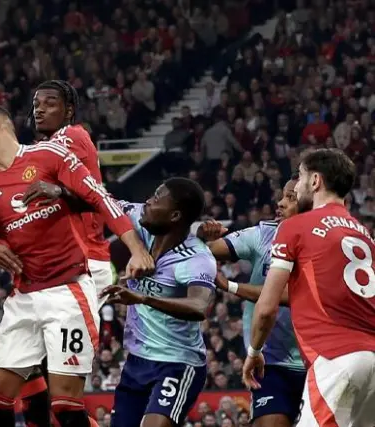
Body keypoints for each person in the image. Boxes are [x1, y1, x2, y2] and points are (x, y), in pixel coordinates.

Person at [0, 105, 153, 427]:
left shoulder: (48, 155)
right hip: (23, 298)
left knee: (65, 402)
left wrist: (136, 249)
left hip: (67, 294)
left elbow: (99, 198)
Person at [0, 79, 117, 427]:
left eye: (49, 103)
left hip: (81, 263)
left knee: (49, 376)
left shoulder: (70, 138)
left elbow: (93, 196)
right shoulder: (44, 150)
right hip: (61, 267)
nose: (39, 109)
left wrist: (56, 189)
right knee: (32, 366)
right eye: (35, 103)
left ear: (69, 110)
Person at [245, 148, 375, 426]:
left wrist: (254, 353)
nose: (298, 186)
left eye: (301, 178)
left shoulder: (295, 227)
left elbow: (267, 308)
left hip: (334, 358)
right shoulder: (363, 233)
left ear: (315, 181)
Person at [97, 178, 215, 427]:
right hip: (136, 361)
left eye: (157, 198)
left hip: (178, 363)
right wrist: (58, 190)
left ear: (174, 215)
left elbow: (198, 307)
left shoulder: (196, 258)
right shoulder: (139, 219)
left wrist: (141, 298)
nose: (148, 201)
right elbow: (99, 200)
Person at [196, 177, 304, 427]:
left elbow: (294, 294)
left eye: (290, 197)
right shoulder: (264, 234)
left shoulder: (322, 242)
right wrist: (202, 235)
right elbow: (208, 249)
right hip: (270, 362)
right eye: (282, 195)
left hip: (317, 361)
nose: (279, 203)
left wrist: (231, 286)